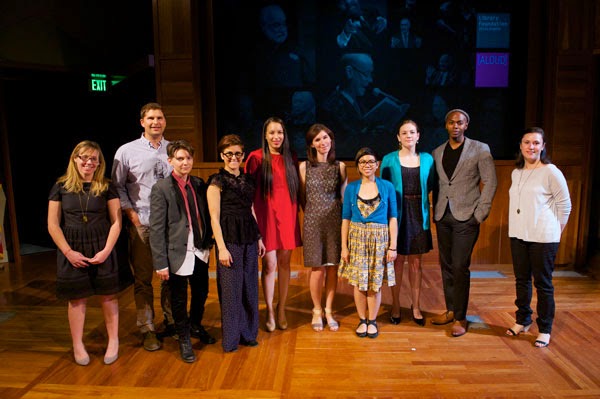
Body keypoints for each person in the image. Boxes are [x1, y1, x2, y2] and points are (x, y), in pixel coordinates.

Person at [48, 140, 124, 366]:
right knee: (77, 299)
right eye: (84, 157)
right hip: (72, 247)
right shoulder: (61, 186)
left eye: (94, 159)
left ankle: (113, 341)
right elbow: (53, 224)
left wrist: (106, 251)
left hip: (102, 245)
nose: (89, 162)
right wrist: (68, 252)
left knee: (108, 296)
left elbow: (116, 222)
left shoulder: (107, 186)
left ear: (99, 162)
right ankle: (78, 345)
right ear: (75, 159)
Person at [112, 102, 174, 351]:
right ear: (142, 122)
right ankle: (147, 328)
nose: (155, 122)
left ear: (165, 121)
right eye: (150, 118)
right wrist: (131, 214)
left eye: (159, 117)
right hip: (142, 224)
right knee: (143, 279)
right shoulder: (126, 151)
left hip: (170, 224)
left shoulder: (173, 149)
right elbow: (117, 185)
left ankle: (171, 321)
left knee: (171, 276)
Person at [431, 109, 497, 337]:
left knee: (460, 266)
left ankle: (461, 317)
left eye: (460, 122)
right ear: (446, 126)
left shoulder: (480, 149)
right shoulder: (437, 152)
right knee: (447, 266)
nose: (456, 126)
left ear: (466, 126)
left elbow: (490, 182)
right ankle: (450, 310)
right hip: (442, 217)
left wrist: (480, 214)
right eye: (451, 122)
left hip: (467, 217)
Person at [149, 140, 214, 363]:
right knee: (178, 298)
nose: (184, 162)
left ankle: (196, 324)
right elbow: (156, 228)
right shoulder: (162, 188)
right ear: (170, 161)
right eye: (179, 158)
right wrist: (160, 262)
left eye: (188, 158)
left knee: (201, 292)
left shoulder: (198, 183)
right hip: (177, 252)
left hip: (200, 249)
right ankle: (184, 337)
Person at [505, 127, 571, 348]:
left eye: (535, 143)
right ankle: (522, 320)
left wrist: (555, 231)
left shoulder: (551, 171)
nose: (531, 147)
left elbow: (565, 206)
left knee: (543, 284)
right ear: (521, 146)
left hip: (544, 237)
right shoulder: (517, 172)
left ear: (543, 146)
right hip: (518, 235)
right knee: (521, 280)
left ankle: (544, 329)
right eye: (527, 142)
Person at [207, 135, 266, 352]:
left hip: (249, 236)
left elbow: (251, 209)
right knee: (231, 290)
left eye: (238, 154)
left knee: (250, 287)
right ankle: (231, 339)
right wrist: (221, 248)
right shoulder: (216, 181)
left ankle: (248, 333)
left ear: (243, 155)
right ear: (222, 155)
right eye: (229, 154)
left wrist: (259, 237)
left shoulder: (249, 179)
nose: (234, 158)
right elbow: (214, 217)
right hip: (229, 239)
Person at [245, 117, 302, 332]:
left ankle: (281, 308)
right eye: (272, 133)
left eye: (280, 132)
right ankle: (268, 309)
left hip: (287, 217)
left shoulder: (291, 158)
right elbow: (248, 192)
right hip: (265, 217)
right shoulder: (255, 157)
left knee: (285, 264)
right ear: (265, 135)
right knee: (269, 265)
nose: (276, 137)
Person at [339, 147, 397, 339]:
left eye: (371, 161)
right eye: (363, 162)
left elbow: (393, 218)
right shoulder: (351, 188)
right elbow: (346, 218)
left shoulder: (387, 187)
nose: (367, 165)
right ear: (357, 166)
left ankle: (372, 320)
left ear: (377, 164)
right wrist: (344, 247)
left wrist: (393, 246)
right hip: (357, 239)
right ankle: (362, 320)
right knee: (359, 283)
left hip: (379, 239)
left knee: (375, 283)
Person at [380, 120, 434, 326]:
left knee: (416, 264)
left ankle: (416, 306)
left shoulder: (428, 159)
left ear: (418, 135)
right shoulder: (388, 159)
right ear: (398, 137)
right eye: (404, 132)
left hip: (419, 215)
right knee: (396, 263)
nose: (409, 135)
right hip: (397, 216)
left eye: (412, 132)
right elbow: (384, 189)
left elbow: (430, 185)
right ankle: (395, 305)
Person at [299, 124, 348, 332]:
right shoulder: (303, 167)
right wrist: (312, 216)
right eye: (317, 139)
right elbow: (302, 198)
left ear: (331, 140)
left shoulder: (341, 166)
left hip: (335, 221)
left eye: (326, 138)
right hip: (312, 222)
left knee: (332, 268)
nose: (322, 142)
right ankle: (317, 309)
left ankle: (329, 309)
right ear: (311, 144)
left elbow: (344, 198)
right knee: (317, 269)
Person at [321, 53, 409, 158]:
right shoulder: (331, 106)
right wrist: (370, 133)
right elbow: (342, 145)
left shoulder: (361, 101)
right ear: (349, 72)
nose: (370, 80)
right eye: (366, 74)